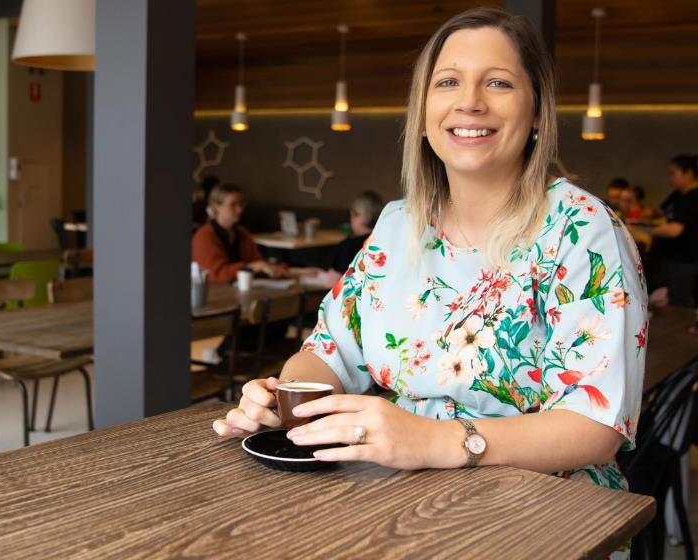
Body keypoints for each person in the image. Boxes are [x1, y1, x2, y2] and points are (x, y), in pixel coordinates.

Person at [215, 10, 647, 557]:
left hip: (545, 516)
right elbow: (326, 351)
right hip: (393, 506)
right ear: (423, 115)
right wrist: (286, 400)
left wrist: (442, 442)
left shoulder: (582, 228)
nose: (470, 100)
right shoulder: (398, 224)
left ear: (537, 113)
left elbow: (595, 423)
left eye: (499, 82)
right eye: (448, 82)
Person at [629, 154, 698, 307]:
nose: (671, 178)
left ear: (689, 173)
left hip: (685, 259)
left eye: (674, 174)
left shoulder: (693, 198)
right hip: (670, 257)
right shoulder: (678, 194)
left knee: (680, 301)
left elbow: (675, 230)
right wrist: (634, 204)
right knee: (666, 296)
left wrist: (645, 229)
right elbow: (656, 212)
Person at [192, 184, 286, 283]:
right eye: (233, 205)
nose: (240, 210)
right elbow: (215, 274)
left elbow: (260, 266)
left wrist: (295, 271)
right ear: (216, 207)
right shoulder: (204, 236)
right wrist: (256, 266)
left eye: (241, 204)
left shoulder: (242, 232)